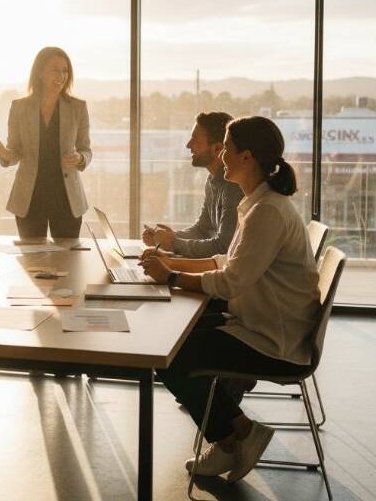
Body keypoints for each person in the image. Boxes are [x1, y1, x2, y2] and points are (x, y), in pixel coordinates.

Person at [140, 116, 320, 482]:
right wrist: (170, 262)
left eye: (228, 148)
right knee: (176, 342)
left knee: (173, 355)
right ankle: (239, 432)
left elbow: (230, 282)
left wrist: (172, 276)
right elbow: (226, 261)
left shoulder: (265, 212)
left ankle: (229, 440)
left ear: (247, 157)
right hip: (264, 321)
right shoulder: (258, 203)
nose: (222, 155)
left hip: (273, 339)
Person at [0, 46, 92, 239]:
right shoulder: (20, 107)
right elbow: (15, 151)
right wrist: (5, 153)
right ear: (40, 72)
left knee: (68, 261)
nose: (61, 76)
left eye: (65, 70)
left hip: (67, 199)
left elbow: (86, 150)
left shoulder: (78, 108)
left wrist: (79, 158)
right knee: (31, 262)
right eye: (54, 69)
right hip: (30, 199)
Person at [142, 112, 243, 258]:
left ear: (217, 148)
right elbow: (201, 230)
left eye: (195, 139)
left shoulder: (233, 187)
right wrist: (166, 238)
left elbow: (223, 247)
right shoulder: (212, 180)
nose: (188, 145)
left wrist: (173, 243)